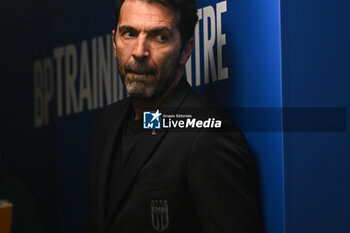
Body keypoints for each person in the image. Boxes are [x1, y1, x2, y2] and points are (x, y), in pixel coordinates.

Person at [86, 0, 264, 232]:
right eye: (129, 34)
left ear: (186, 51)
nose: (139, 51)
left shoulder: (208, 136)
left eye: (160, 37)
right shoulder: (106, 124)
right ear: (114, 41)